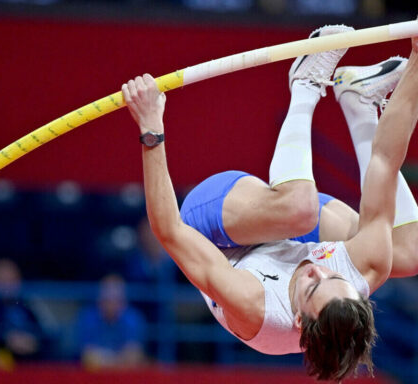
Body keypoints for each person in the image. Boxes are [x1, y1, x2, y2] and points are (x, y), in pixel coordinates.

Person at [121, 24, 418, 381]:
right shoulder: (363, 271)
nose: (317, 266)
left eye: (313, 284)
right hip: (284, 235)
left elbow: (168, 230)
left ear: (297, 322)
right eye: (334, 274)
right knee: (405, 251)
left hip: (217, 232)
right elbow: (385, 160)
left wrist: (151, 127)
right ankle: (360, 103)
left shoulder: (254, 304)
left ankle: (305, 84)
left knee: (300, 209)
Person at [75, 274, 146, 368]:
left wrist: (103, 359)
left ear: (123, 300)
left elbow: (133, 357)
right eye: (107, 298)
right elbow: (88, 358)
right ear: (99, 299)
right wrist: (119, 359)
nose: (111, 303)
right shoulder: (87, 317)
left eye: (116, 298)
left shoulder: (133, 318)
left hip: (124, 377)